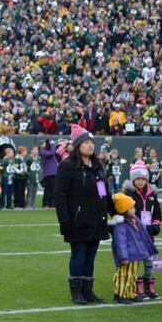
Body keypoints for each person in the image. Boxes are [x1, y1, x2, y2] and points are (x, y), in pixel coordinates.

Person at [55, 125, 113, 305]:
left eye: (92, 142)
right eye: (86, 142)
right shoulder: (68, 166)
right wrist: (64, 220)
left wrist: (117, 212)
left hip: (97, 219)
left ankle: (88, 291)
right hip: (78, 220)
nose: (90, 146)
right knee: (78, 256)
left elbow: (104, 193)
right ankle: (77, 292)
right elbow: (60, 195)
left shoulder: (97, 166)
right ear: (78, 145)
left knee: (90, 257)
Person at [122, 162, 162, 300]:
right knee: (137, 261)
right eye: (138, 179)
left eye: (143, 179)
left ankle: (149, 286)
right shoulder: (128, 194)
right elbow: (124, 213)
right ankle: (137, 287)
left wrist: (156, 225)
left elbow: (157, 213)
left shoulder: (152, 194)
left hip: (149, 234)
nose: (141, 181)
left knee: (150, 261)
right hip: (135, 234)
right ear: (133, 180)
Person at [109, 193, 158, 304]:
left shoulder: (134, 220)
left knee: (132, 275)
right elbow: (120, 243)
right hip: (127, 256)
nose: (134, 209)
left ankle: (130, 293)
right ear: (124, 210)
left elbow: (143, 236)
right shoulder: (120, 225)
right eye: (131, 207)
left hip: (135, 254)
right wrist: (123, 257)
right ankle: (119, 294)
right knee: (123, 275)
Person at [39, 138, 58, 208]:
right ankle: (46, 204)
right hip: (48, 173)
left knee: (53, 189)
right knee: (48, 189)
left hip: (53, 172)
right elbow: (51, 153)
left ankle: (52, 204)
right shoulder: (42, 151)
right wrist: (53, 145)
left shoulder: (47, 150)